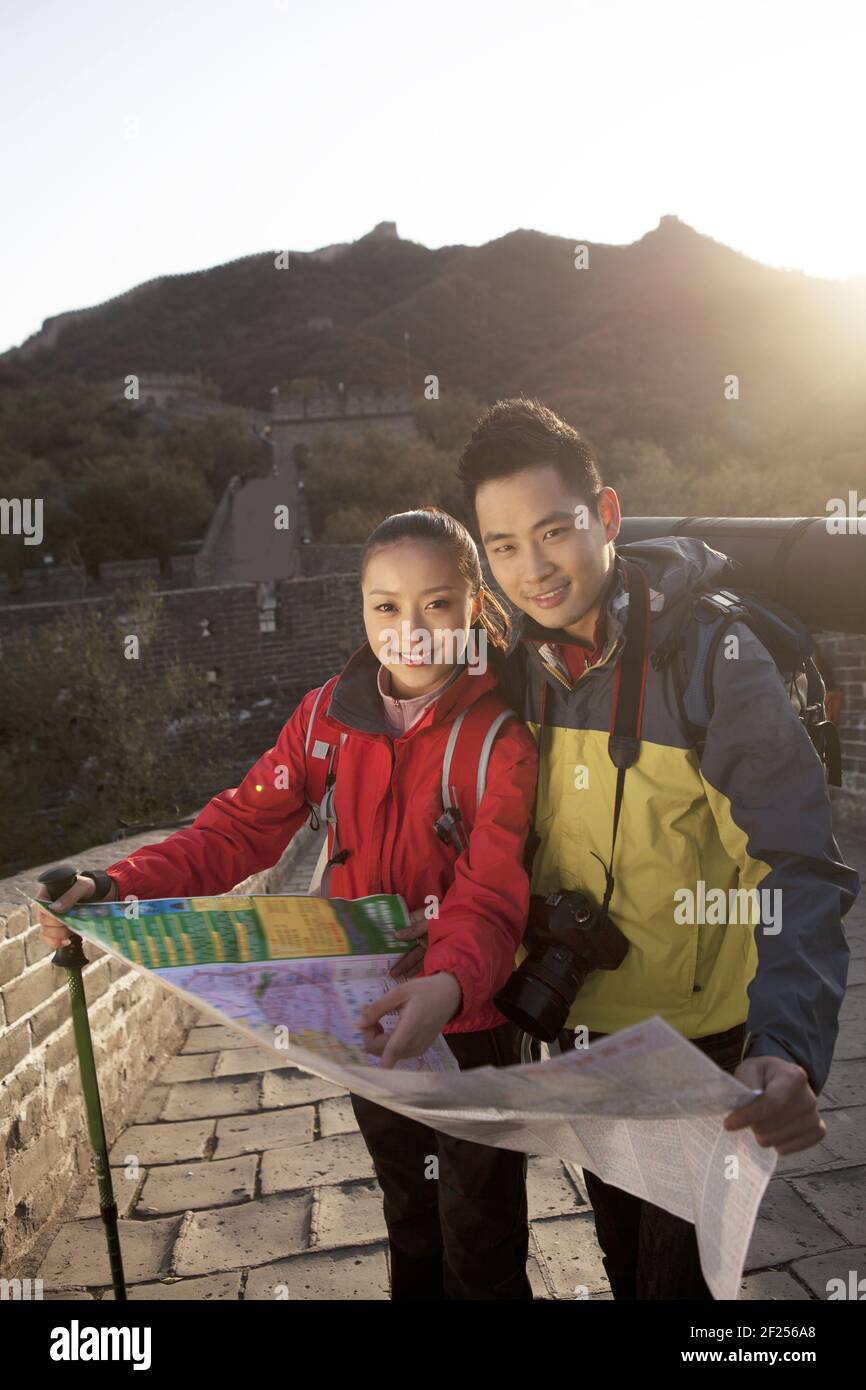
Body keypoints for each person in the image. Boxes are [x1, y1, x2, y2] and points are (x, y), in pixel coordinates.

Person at [38, 506, 539, 1301]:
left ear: (475, 604)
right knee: (408, 1212)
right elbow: (238, 829)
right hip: (364, 1017)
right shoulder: (324, 723)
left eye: (437, 603)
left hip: (467, 1025)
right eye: (386, 605)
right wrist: (118, 883)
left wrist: (445, 981)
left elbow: (491, 893)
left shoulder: (497, 740)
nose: (409, 627)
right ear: (362, 609)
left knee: (481, 1234)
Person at [456, 396, 861, 1301]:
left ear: (605, 516)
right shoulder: (510, 669)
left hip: (698, 1052)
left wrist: (787, 1046)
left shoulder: (715, 657)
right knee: (619, 1256)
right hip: (582, 1040)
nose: (534, 568)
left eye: (553, 530)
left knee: (678, 1293)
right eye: (504, 546)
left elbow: (795, 863)